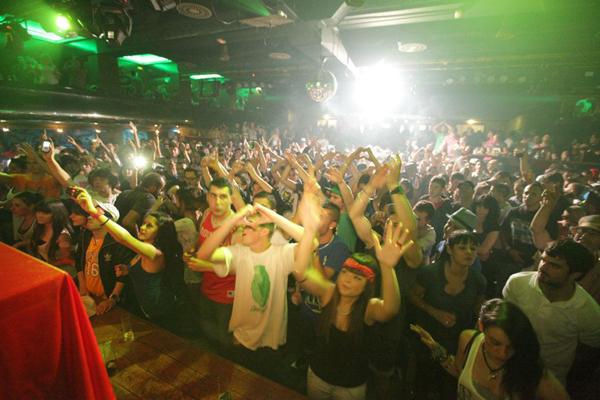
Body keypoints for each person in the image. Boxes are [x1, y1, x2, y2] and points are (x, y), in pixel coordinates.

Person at [299, 221, 413, 400]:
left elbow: (391, 309)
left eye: (357, 278)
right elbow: (301, 275)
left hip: (350, 386)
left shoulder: (369, 307)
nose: (347, 280)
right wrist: (308, 240)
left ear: (367, 286)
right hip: (318, 377)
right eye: (344, 272)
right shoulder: (329, 293)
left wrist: (387, 266)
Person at [411, 299, 569, 400]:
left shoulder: (529, 371)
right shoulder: (468, 340)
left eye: (511, 346)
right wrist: (436, 348)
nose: (502, 354)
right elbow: (459, 370)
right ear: (481, 326)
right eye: (495, 343)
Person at [502, 238, 600, 387]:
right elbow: (507, 321)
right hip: (509, 365)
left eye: (554, 265)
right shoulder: (517, 283)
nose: (543, 267)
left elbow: (588, 351)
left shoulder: (588, 310)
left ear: (575, 274)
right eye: (543, 260)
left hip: (551, 378)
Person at [75, 188, 181, 323]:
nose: (142, 227)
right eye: (144, 223)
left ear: (160, 232)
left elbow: (124, 238)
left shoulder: (154, 252)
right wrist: (127, 269)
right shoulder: (144, 247)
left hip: (159, 308)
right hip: (145, 307)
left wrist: (94, 212)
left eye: (149, 226)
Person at [409, 230, 487, 399]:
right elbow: (412, 295)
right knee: (423, 382)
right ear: (450, 249)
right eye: (462, 248)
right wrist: (435, 312)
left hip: (456, 341)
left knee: (448, 386)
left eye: (473, 248)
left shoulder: (478, 280)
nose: (468, 252)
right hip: (427, 336)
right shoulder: (431, 273)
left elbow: (477, 308)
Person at [72, 200, 136, 315]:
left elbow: (123, 275)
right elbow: (79, 262)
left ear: (109, 219)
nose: (89, 217)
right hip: (89, 296)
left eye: (96, 214)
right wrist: (83, 287)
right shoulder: (86, 235)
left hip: (107, 300)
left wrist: (112, 299)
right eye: (90, 214)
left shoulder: (117, 242)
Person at [29, 199, 75, 276]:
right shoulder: (40, 228)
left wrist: (45, 264)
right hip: (49, 270)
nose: (40, 215)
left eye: (45, 213)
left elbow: (68, 260)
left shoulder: (62, 235)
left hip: (63, 273)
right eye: (38, 212)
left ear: (56, 214)